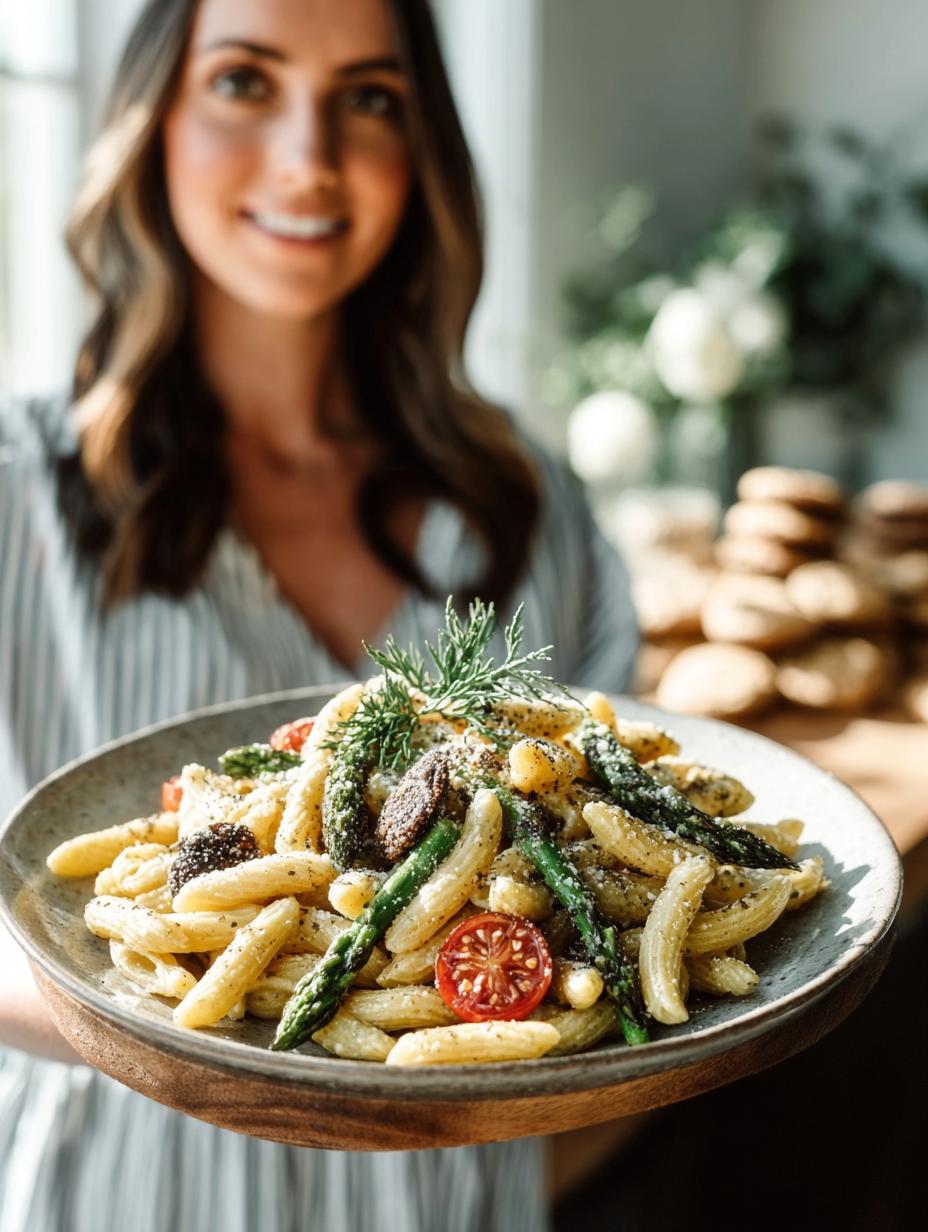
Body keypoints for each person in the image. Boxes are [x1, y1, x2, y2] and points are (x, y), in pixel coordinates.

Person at [0, 1, 638, 1228]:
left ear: (424, 151)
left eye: (370, 97)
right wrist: (179, 1006)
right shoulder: (20, 495)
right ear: (153, 120)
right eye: (245, 81)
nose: (309, 158)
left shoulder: (527, 508)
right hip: (127, 1192)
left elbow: (587, 901)